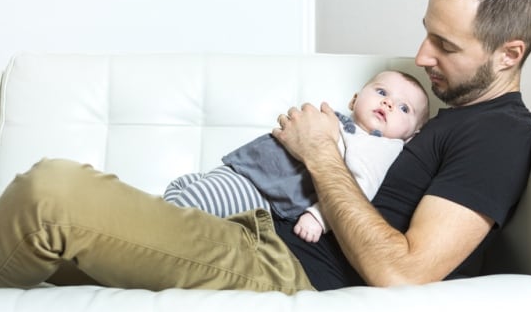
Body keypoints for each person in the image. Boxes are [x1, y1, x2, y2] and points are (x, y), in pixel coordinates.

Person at [0, 0, 531, 294]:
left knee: (53, 194)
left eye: (446, 45)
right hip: (250, 227)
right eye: (426, 34)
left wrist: (322, 153)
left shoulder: (497, 135)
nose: (422, 55)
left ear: (508, 53)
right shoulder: (440, 112)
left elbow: (402, 273)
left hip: (281, 268)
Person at [163, 70, 429, 243]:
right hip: (242, 168)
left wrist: (318, 217)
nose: (388, 103)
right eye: (382, 92)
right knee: (179, 193)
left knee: (183, 213)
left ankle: (150, 234)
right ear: (354, 100)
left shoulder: (379, 148)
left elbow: (359, 188)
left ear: (411, 136)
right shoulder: (334, 117)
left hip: (263, 192)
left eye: (404, 108)